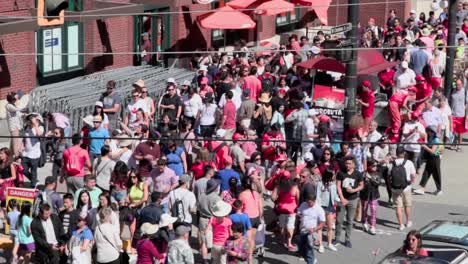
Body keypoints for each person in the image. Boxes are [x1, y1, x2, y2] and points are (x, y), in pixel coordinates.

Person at [335, 156, 364, 248]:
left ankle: (347, 239)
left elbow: (361, 186)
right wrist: (342, 198)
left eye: (349, 163)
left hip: (353, 199)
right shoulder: (340, 172)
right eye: (346, 163)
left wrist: (354, 190)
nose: (347, 165)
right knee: (339, 220)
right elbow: (338, 186)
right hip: (342, 199)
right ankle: (337, 238)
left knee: (350, 220)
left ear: (354, 165)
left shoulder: (358, 174)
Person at [389, 147, 416, 231]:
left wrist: (390, 185)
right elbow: (413, 175)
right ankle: (408, 221)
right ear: (404, 153)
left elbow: (389, 175)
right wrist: (411, 181)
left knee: (398, 207)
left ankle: (401, 224)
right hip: (406, 187)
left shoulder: (392, 163)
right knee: (407, 205)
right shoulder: (409, 162)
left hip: (395, 188)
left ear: (396, 153)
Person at [271, 172, 299, 251]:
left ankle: (283, 241)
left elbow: (272, 197)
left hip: (281, 209)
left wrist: (277, 202)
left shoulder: (279, 186)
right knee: (290, 226)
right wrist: (297, 205)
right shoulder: (294, 186)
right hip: (292, 210)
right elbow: (298, 197)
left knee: (282, 225)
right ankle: (289, 243)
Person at [297, 193, 325, 264]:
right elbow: (299, 212)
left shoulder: (319, 209)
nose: (308, 204)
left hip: (312, 231)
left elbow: (323, 222)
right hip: (303, 229)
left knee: (309, 248)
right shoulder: (304, 204)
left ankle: (311, 261)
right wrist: (299, 215)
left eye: (310, 202)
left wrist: (315, 229)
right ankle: (304, 255)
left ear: (314, 201)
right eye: (307, 202)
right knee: (301, 244)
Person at [238, 177, 263, 258]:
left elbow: (239, 209)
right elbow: (261, 208)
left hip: (248, 218)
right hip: (256, 218)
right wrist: (260, 218)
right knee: (252, 238)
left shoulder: (242, 194)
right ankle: (250, 256)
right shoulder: (256, 193)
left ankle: (248, 256)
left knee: (248, 239)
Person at [414, 126, 443, 196]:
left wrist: (424, 146)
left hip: (435, 158)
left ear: (432, 132)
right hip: (430, 158)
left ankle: (439, 190)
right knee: (426, 173)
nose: (427, 132)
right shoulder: (431, 137)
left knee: (436, 174)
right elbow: (423, 135)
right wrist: (418, 132)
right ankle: (422, 188)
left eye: (428, 131)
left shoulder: (436, 140)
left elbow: (433, 151)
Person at [316, 168, 339, 252]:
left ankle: (329, 243)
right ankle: (321, 245)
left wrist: (340, 200)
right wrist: (318, 208)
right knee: (320, 227)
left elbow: (335, 195)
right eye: (333, 174)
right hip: (322, 207)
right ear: (328, 175)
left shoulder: (333, 184)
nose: (334, 176)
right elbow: (317, 196)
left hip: (330, 207)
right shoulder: (320, 184)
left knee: (330, 227)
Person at [22, 113, 44, 187]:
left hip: (35, 154)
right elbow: (24, 139)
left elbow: (39, 134)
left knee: (33, 171)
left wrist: (35, 124)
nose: (30, 121)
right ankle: (34, 180)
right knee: (23, 169)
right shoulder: (27, 128)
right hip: (25, 153)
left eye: (31, 120)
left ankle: (33, 185)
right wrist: (21, 147)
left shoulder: (40, 127)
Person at [360, 160, 380, 235]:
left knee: (373, 211)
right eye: (373, 166)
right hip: (364, 195)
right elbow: (360, 184)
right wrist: (365, 179)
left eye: (375, 166)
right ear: (368, 166)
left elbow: (378, 183)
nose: (375, 167)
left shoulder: (377, 173)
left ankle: (372, 226)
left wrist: (370, 178)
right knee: (364, 210)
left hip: (374, 195)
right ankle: (364, 222)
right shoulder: (363, 174)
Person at [5, 92, 27, 156]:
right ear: (12, 99)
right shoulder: (8, 105)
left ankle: (10, 155)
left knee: (13, 141)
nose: (16, 100)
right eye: (15, 99)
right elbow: (16, 110)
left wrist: (24, 115)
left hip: (17, 126)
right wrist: (18, 101)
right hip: (13, 127)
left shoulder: (13, 105)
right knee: (15, 142)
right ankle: (16, 156)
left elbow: (18, 114)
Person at [450, 78, 467, 152]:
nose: (457, 86)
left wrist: (466, 114)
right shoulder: (452, 91)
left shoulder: (465, 91)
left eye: (459, 84)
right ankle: (454, 143)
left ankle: (459, 145)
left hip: (461, 115)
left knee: (460, 132)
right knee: (453, 131)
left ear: (462, 85)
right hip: (453, 115)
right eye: (456, 84)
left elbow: (467, 104)